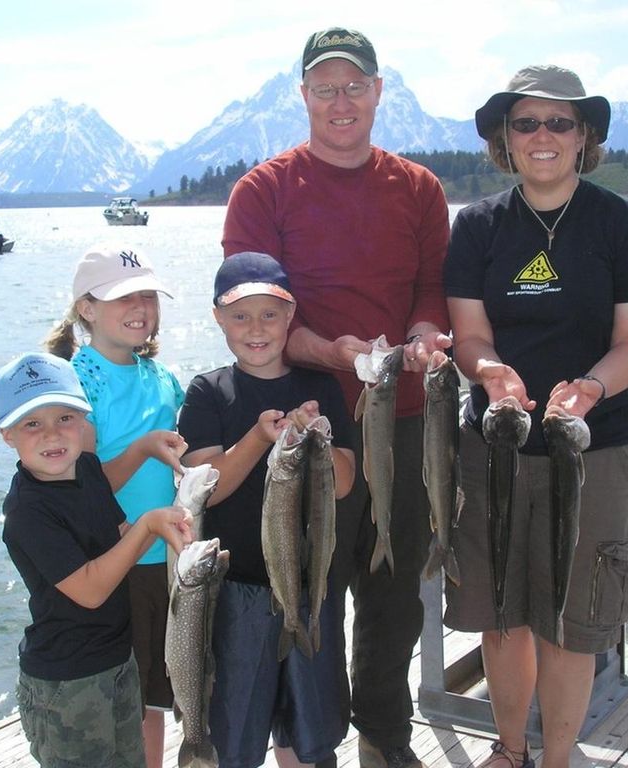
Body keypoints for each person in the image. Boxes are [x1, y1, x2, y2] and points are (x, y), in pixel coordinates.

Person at [221, 26, 451, 768]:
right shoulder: (263, 190)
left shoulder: (419, 188)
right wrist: (340, 355)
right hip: (306, 427)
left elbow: (432, 295)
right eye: (325, 87)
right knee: (308, 587)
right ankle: (312, 741)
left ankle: (385, 738)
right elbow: (257, 318)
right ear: (304, 97)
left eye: (355, 85)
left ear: (380, 91)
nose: (341, 100)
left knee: (392, 598)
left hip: (408, 423)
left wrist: (420, 335)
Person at [442, 65, 628, 768]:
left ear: (585, 137)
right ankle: (511, 750)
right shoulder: (477, 228)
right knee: (503, 614)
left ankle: (560, 756)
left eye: (559, 122)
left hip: (594, 451)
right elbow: (470, 336)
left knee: (573, 624)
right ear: (504, 140)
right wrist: (488, 373)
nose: (542, 136)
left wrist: (590, 391)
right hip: (496, 451)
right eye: (525, 123)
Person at [177, 252, 357, 768]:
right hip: (236, 594)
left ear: (291, 314)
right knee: (234, 733)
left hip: (310, 589)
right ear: (218, 318)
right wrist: (259, 437)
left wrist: (318, 441)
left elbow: (343, 485)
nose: (256, 329)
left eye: (270, 314)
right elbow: (207, 487)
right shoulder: (208, 392)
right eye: (240, 316)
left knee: (310, 734)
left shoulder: (320, 386)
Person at [0, 352, 192, 768]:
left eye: (65, 418)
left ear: (85, 421)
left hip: (118, 658)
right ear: (7, 434)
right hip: (66, 680)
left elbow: (119, 534)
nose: (52, 434)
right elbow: (89, 589)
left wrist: (176, 533)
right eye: (32, 424)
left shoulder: (87, 468)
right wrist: (150, 526)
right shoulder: (28, 512)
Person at [45, 245, 188, 768]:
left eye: (148, 295)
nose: (141, 307)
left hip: (168, 562)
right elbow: (82, 487)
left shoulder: (162, 376)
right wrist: (144, 448)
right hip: (117, 562)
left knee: (152, 691)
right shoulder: (76, 384)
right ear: (86, 308)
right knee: (120, 694)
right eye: (123, 296)